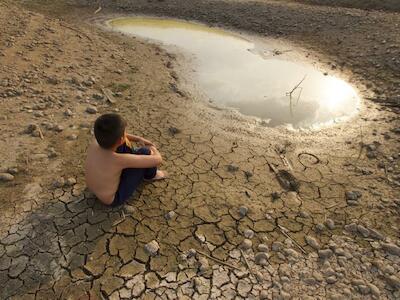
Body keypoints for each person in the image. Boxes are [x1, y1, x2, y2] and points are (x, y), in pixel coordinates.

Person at [85, 113, 166, 206]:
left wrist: (139, 139)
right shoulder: (119, 160)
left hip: (94, 189)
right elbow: (158, 159)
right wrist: (152, 148)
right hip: (114, 198)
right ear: (120, 139)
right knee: (145, 152)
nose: (125, 134)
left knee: (120, 144)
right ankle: (151, 175)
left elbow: (121, 137)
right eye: (124, 132)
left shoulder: (96, 143)